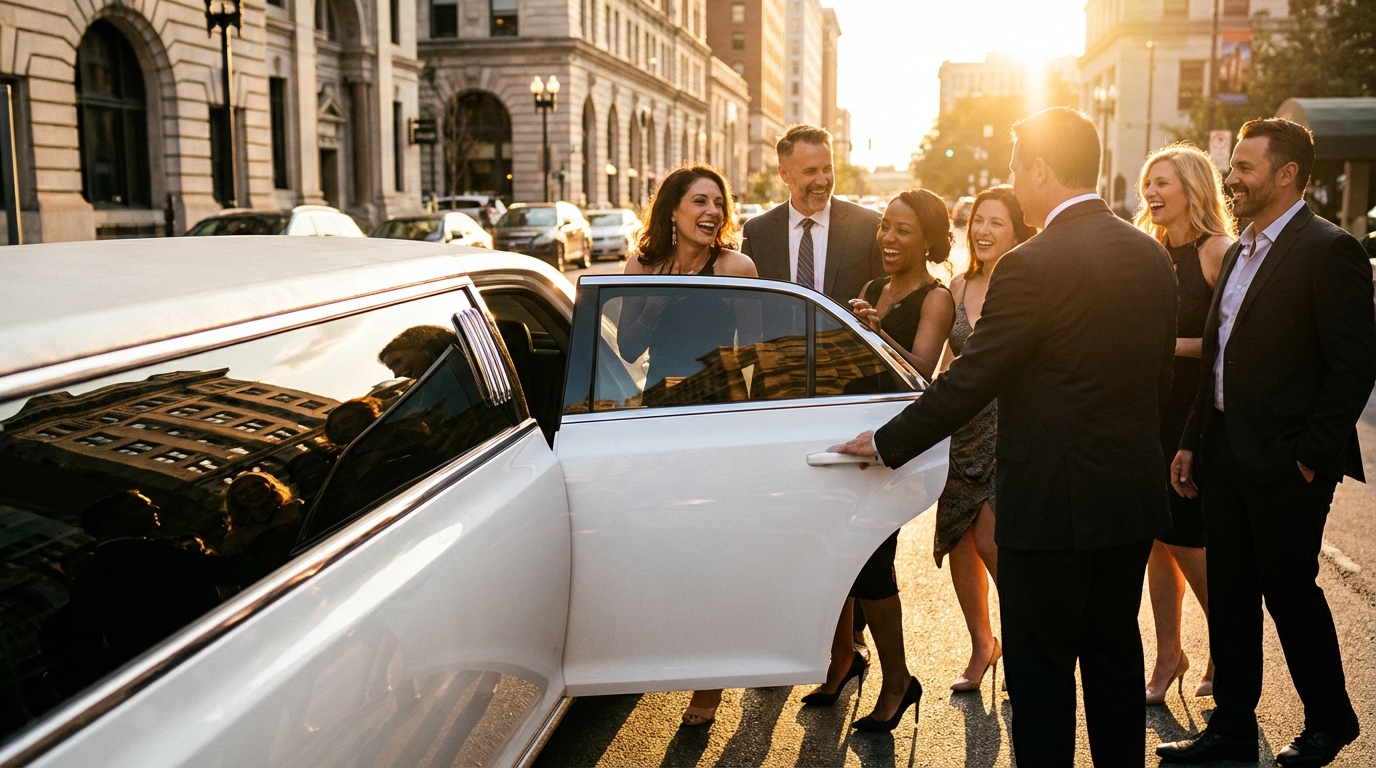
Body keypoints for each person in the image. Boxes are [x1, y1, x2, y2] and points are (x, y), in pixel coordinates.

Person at [835, 107, 1177, 765]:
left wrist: (884, 442)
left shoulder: (1031, 263)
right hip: (1129, 492)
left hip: (1048, 500)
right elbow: (1156, 379)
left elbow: (973, 378)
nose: (1014, 184)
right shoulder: (1147, 252)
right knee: (1112, 655)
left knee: (1041, 670)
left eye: (1017, 169)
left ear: (1040, 170)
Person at [1157, 118, 1375, 767]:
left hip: (1286, 463)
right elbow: (1218, 355)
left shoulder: (1329, 249)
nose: (1231, 179)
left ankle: (1331, 721)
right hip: (1223, 452)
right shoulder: (1240, 249)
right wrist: (1193, 441)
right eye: (1232, 169)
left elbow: (1353, 366)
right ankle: (1230, 725)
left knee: (1288, 591)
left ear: (1286, 175)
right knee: (1229, 592)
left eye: (1245, 169)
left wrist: (1308, 459)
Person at [803, 189, 953, 733]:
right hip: (850, 442)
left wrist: (876, 329)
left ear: (929, 240)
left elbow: (920, 373)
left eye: (903, 230)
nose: (888, 238)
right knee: (841, 559)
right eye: (885, 226)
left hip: (891, 447)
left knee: (871, 565)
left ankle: (899, 681)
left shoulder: (935, 298)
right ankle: (842, 661)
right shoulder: (871, 289)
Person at [615, 163, 757, 728]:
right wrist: (655, 297)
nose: (711, 213)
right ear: (672, 210)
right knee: (662, 547)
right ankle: (658, 654)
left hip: (720, 421)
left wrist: (756, 430)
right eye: (699, 202)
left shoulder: (737, 269)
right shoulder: (641, 266)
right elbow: (626, 346)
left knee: (714, 553)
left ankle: (709, 682)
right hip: (661, 419)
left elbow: (762, 353)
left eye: (718, 203)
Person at [1132, 144, 1235, 704]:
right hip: (1149, 410)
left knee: (1187, 535)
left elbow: (1234, 341)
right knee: (1153, 537)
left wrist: (1164, 346)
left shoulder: (1217, 251)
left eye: (1162, 182)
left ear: (1193, 188)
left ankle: (1229, 646)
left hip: (1195, 416)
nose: (1151, 191)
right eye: (1148, 182)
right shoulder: (1150, 252)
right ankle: (1169, 656)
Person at [934, 186, 1035, 693]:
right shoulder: (957, 286)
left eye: (997, 221)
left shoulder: (1029, 283)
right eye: (978, 219)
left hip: (1012, 425)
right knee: (959, 542)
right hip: (963, 429)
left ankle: (1023, 640)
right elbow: (946, 364)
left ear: (1017, 230)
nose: (983, 230)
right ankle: (982, 645)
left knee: (991, 540)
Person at [741, 124, 883, 304]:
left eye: (827, 169)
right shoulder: (757, 233)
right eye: (810, 171)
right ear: (784, 174)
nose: (822, 181)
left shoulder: (869, 227)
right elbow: (749, 308)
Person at [221, 471, 306, 559]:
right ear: (236, 502)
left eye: (257, 485)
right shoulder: (234, 539)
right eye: (243, 492)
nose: (252, 492)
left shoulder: (296, 508)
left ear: (271, 486)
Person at [378, 325, 457, 379]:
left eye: (396, 362)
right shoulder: (429, 384)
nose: (396, 374)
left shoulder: (458, 365)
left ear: (418, 347)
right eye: (392, 369)